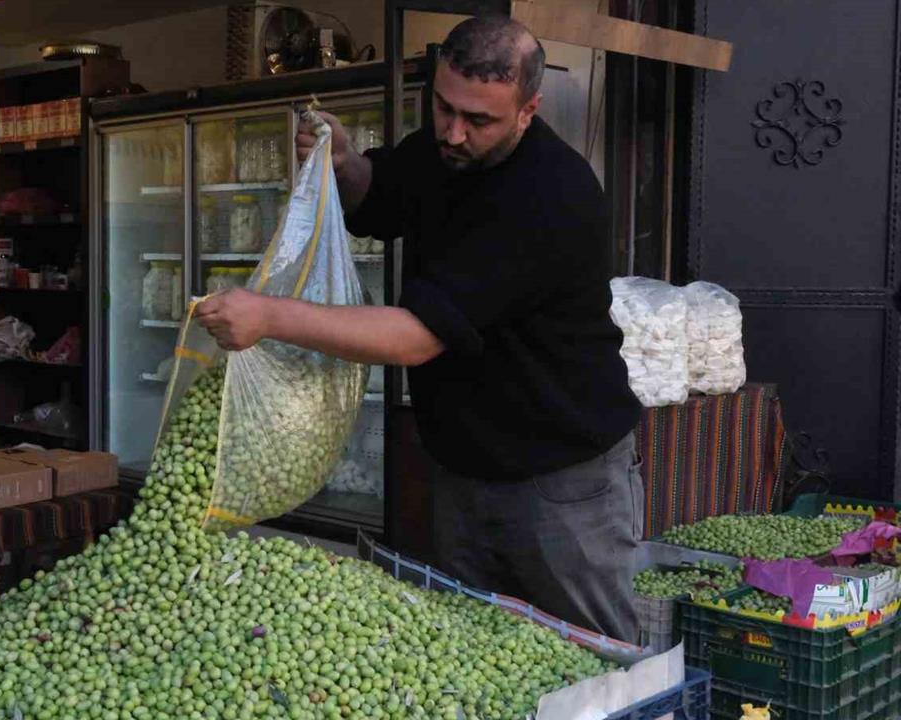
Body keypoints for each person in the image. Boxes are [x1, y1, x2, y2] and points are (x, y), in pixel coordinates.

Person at [194, 14, 645, 643]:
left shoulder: (551, 196)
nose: (454, 132)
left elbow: (415, 336)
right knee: (470, 651)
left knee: (591, 657)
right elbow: (382, 193)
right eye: (443, 107)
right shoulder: (444, 152)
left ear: (528, 109)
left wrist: (270, 317)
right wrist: (346, 160)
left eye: (479, 120)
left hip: (560, 481)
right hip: (463, 467)